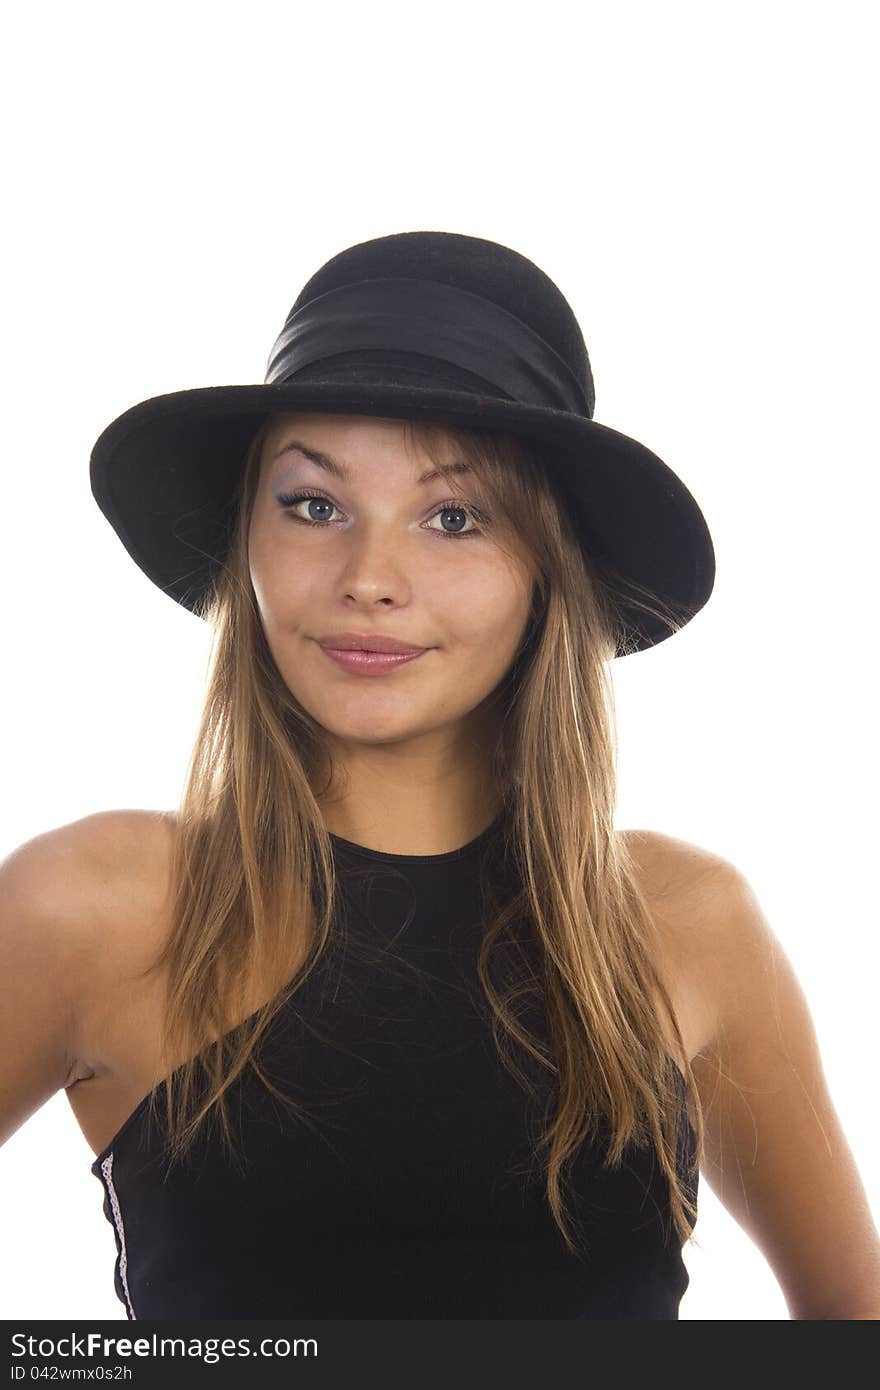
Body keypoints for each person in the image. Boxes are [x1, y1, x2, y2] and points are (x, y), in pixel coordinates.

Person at [3, 231, 878, 1320]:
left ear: (545, 570)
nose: (369, 578)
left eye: (453, 517)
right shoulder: (95, 903)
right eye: (313, 504)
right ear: (246, 539)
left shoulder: (685, 925)